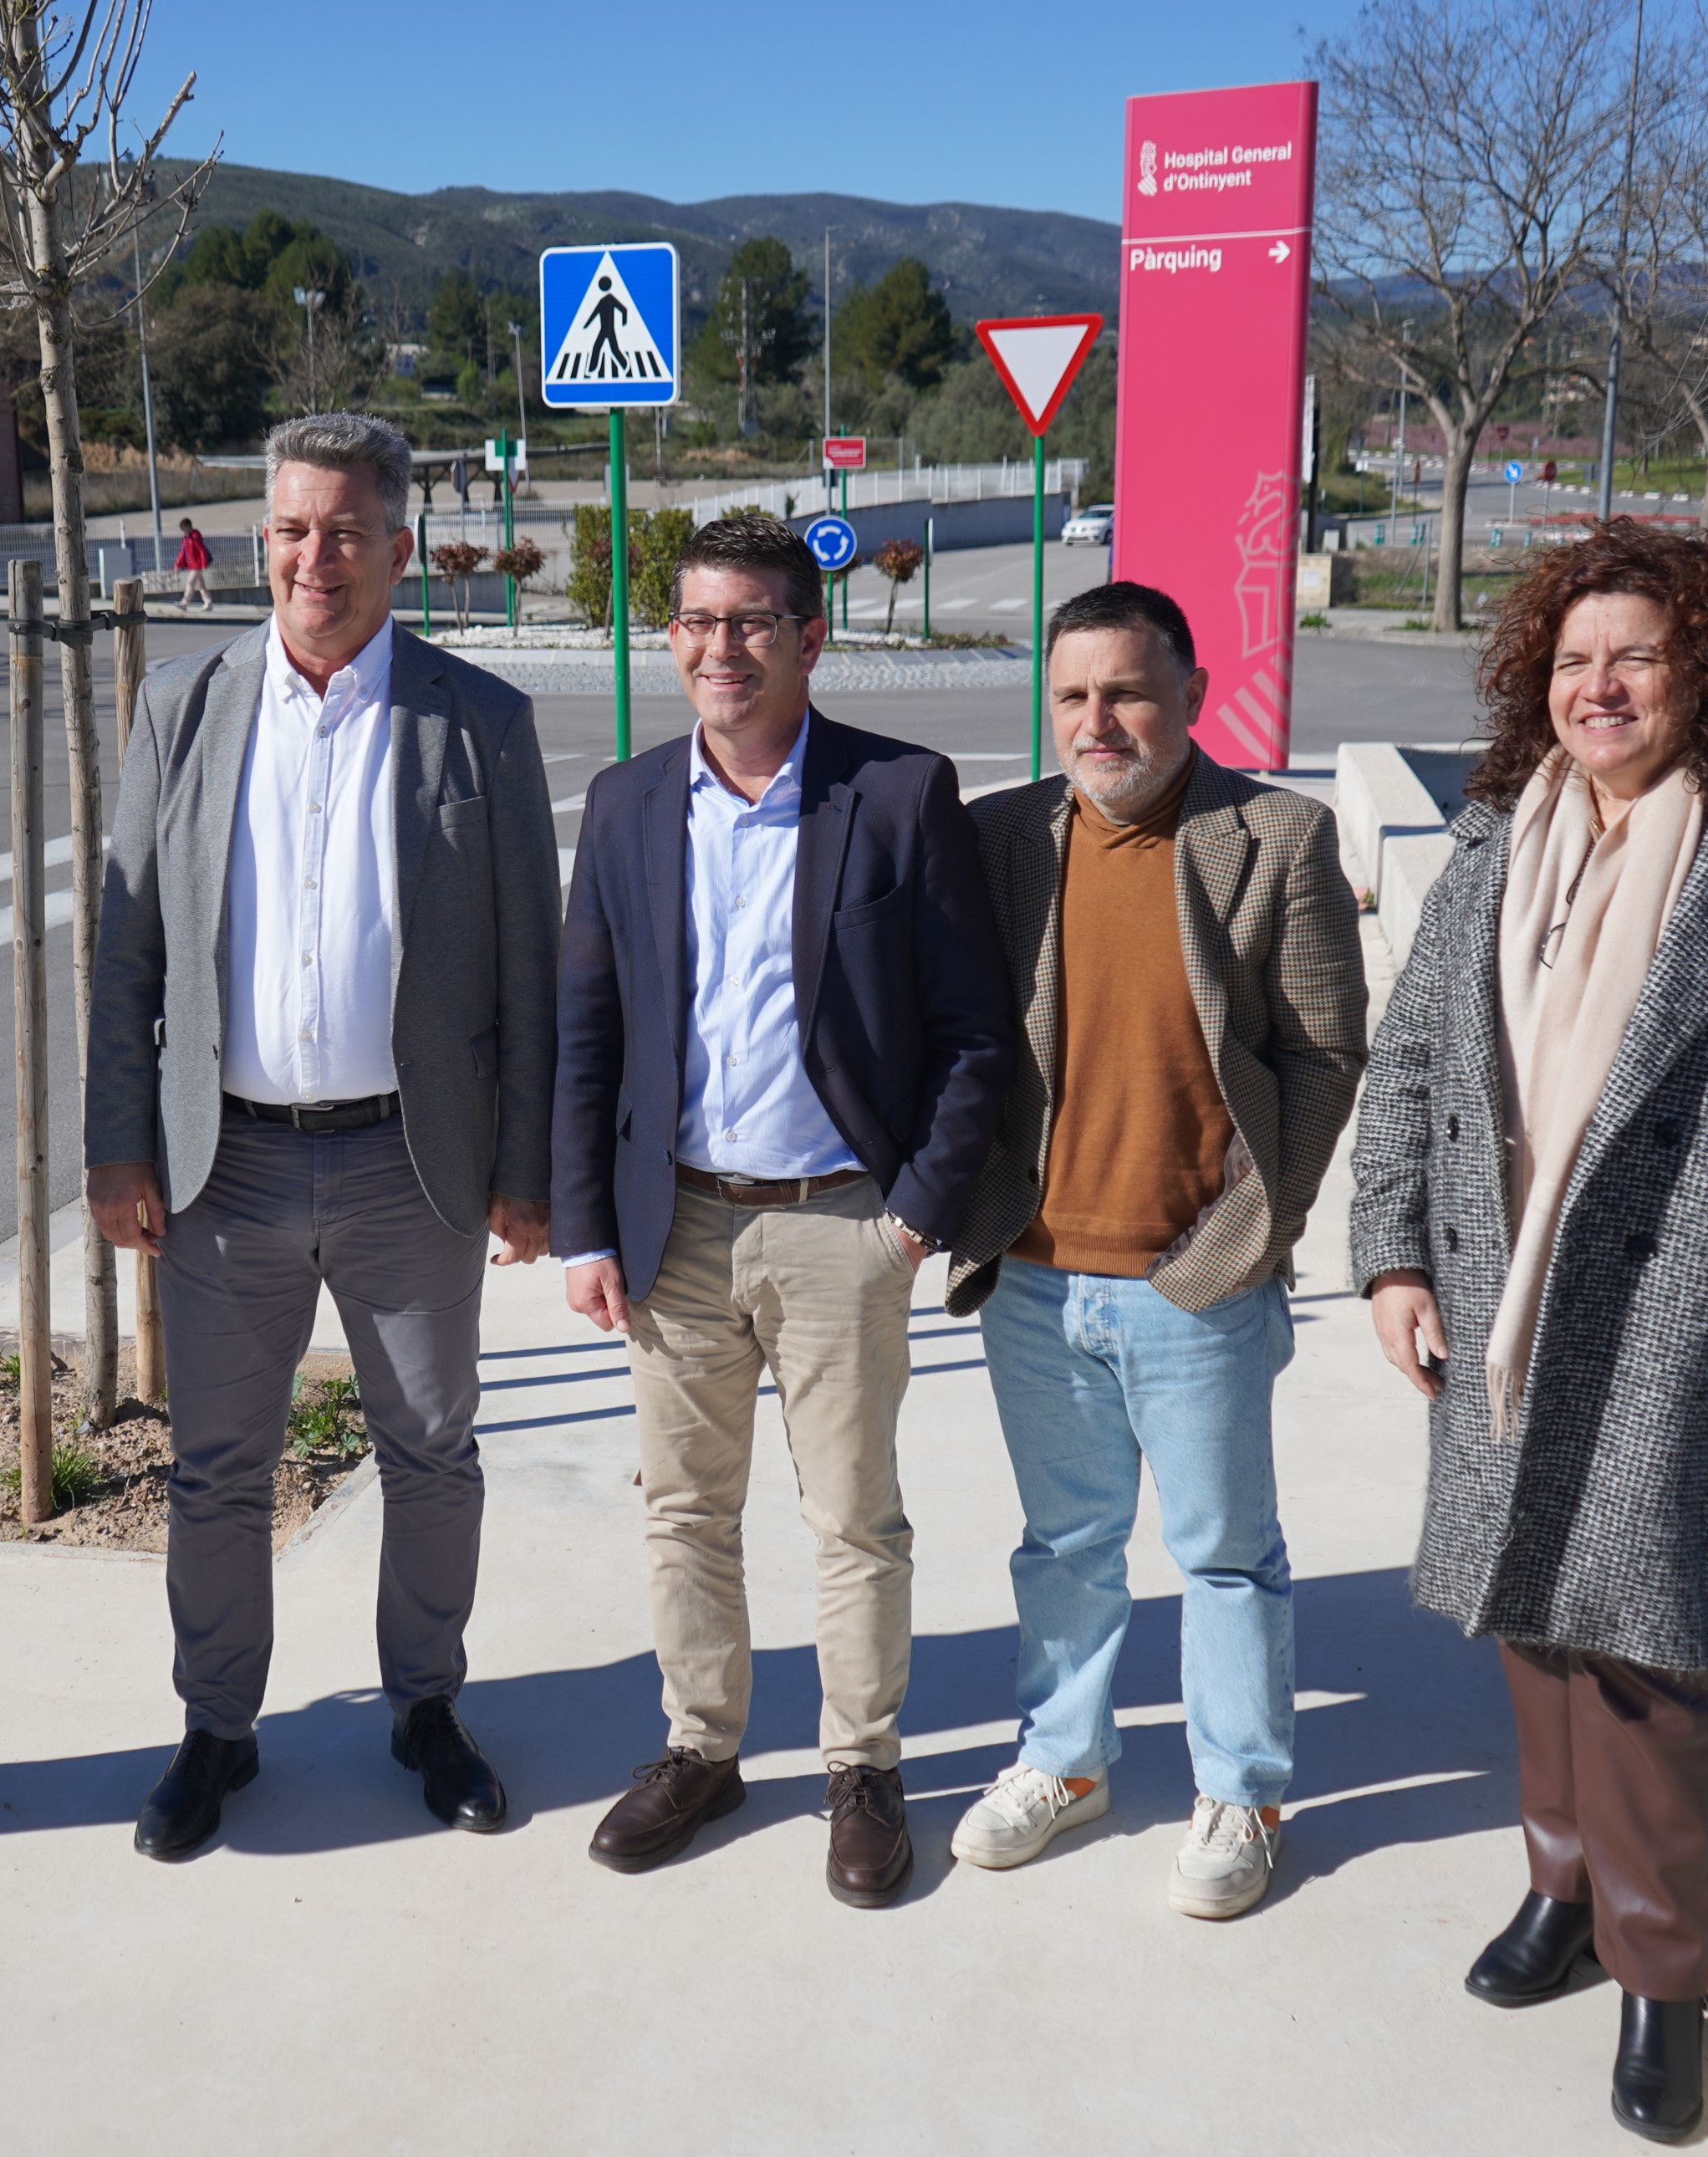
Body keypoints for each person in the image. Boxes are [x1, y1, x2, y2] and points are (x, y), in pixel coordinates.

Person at [1347, 521, 1708, 2142]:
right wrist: (1391, 1254)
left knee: (1640, 1652)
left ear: (1702, 675)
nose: (1595, 688)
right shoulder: (1490, 838)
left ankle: (1661, 1973)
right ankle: (1561, 1885)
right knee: (1524, 1615)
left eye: (1632, 658)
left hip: (1667, 1315)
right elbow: (1409, 1068)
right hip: (1491, 1296)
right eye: (1568, 661)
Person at [88, 411, 561, 1860]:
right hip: (219, 1162)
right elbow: (128, 950)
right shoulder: (180, 708)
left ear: (400, 549)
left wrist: (526, 1173)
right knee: (217, 1468)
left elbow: (529, 972)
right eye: (291, 529)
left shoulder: (476, 722)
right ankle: (216, 1727)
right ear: (259, 544)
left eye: (346, 530)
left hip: (406, 1163)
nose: (316, 557)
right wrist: (117, 1144)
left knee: (431, 1451)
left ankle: (425, 1707)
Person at [554, 514, 1012, 1908]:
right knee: (684, 1512)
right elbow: (586, 1027)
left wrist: (913, 1219)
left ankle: (861, 1767)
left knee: (853, 1518)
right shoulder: (628, 803)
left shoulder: (896, 794)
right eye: (695, 620)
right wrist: (585, 1226)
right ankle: (700, 1749)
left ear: (809, 639)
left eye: (751, 620)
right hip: (672, 1226)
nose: (719, 646)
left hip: (841, 1228)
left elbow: (973, 1032)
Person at [937, 581, 1366, 1916]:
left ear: (1187, 691)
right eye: (1071, 695)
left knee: (1224, 1553)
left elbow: (1320, 1053)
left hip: (1193, 1282)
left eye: (1124, 690)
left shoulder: (1273, 838)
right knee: (1061, 1544)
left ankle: (1240, 1790)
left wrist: (1250, 1234)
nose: (1096, 718)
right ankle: (1064, 1762)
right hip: (1034, 1268)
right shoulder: (1000, 838)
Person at [175, 517, 213, 611]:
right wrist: (177, 564)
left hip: (197, 565)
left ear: (188, 526)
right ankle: (208, 603)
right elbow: (182, 552)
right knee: (201, 585)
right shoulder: (185, 538)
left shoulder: (195, 535)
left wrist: (204, 563)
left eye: (184, 528)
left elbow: (201, 550)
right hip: (192, 565)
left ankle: (185, 603)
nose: (183, 531)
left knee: (190, 583)